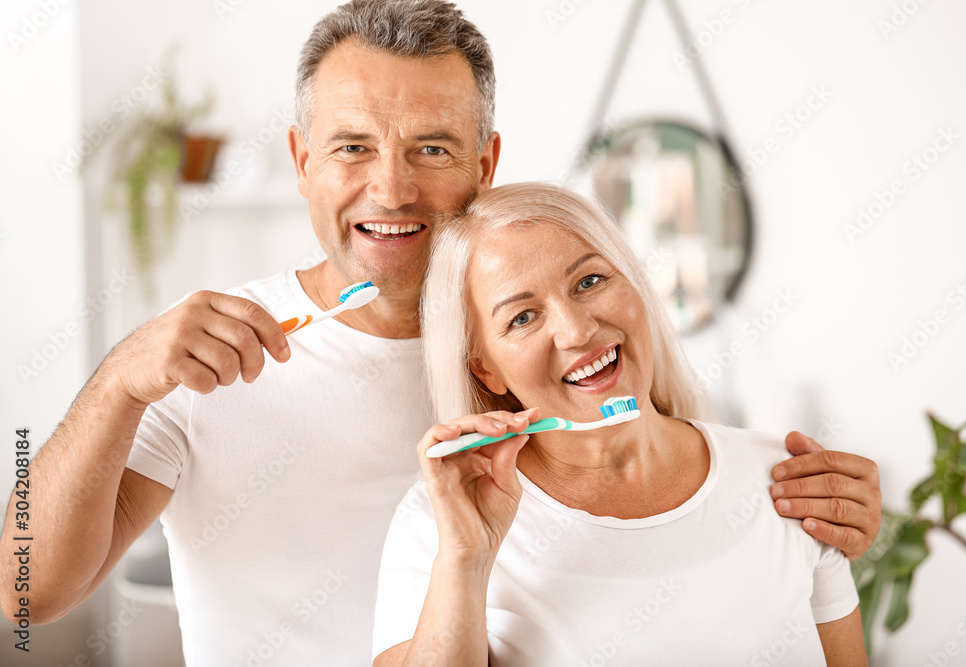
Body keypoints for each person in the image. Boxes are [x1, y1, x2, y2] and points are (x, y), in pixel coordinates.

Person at [0, 1, 880, 663]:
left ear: (485, 162)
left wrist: (822, 515)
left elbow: (697, 519)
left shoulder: (551, 361)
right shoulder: (212, 357)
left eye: (431, 148)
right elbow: (23, 590)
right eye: (352, 148)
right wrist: (117, 380)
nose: (390, 189)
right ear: (303, 160)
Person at [372, 182, 867, 666]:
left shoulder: (786, 479)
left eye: (590, 282)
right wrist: (465, 559)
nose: (577, 330)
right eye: (523, 317)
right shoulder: (439, 524)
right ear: (485, 367)